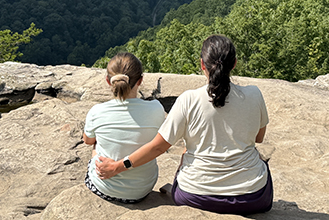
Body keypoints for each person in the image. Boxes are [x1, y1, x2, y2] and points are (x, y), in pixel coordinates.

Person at [96, 35, 272, 215]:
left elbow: (157, 147)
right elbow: (258, 138)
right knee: (261, 163)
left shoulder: (189, 99)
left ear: (202, 65)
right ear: (234, 63)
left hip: (195, 195)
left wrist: (117, 167)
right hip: (253, 197)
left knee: (185, 155)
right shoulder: (254, 94)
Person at [83, 52, 165, 203]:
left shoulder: (97, 111)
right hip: (143, 188)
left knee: (96, 143)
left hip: (105, 188)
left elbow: (87, 140)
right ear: (140, 80)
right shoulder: (156, 108)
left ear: (108, 81)